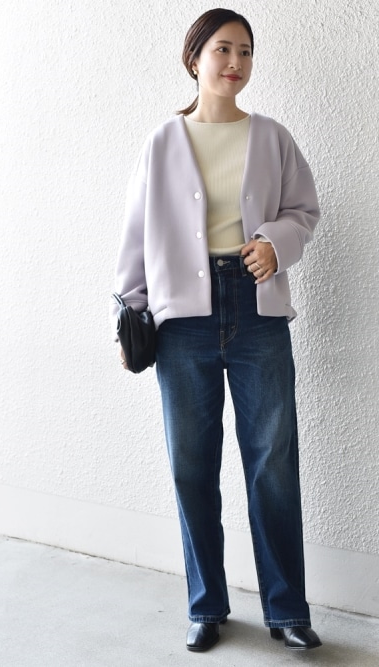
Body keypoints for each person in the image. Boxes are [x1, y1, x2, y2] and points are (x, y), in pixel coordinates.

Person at [111, 8, 321, 653]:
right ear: (195, 58)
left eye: (246, 51)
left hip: (257, 313)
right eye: (224, 49)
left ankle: (287, 610)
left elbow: (304, 210)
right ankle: (206, 606)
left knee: (272, 465)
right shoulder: (163, 142)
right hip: (182, 322)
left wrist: (275, 243)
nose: (236, 62)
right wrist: (130, 313)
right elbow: (137, 234)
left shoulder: (273, 137)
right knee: (191, 467)